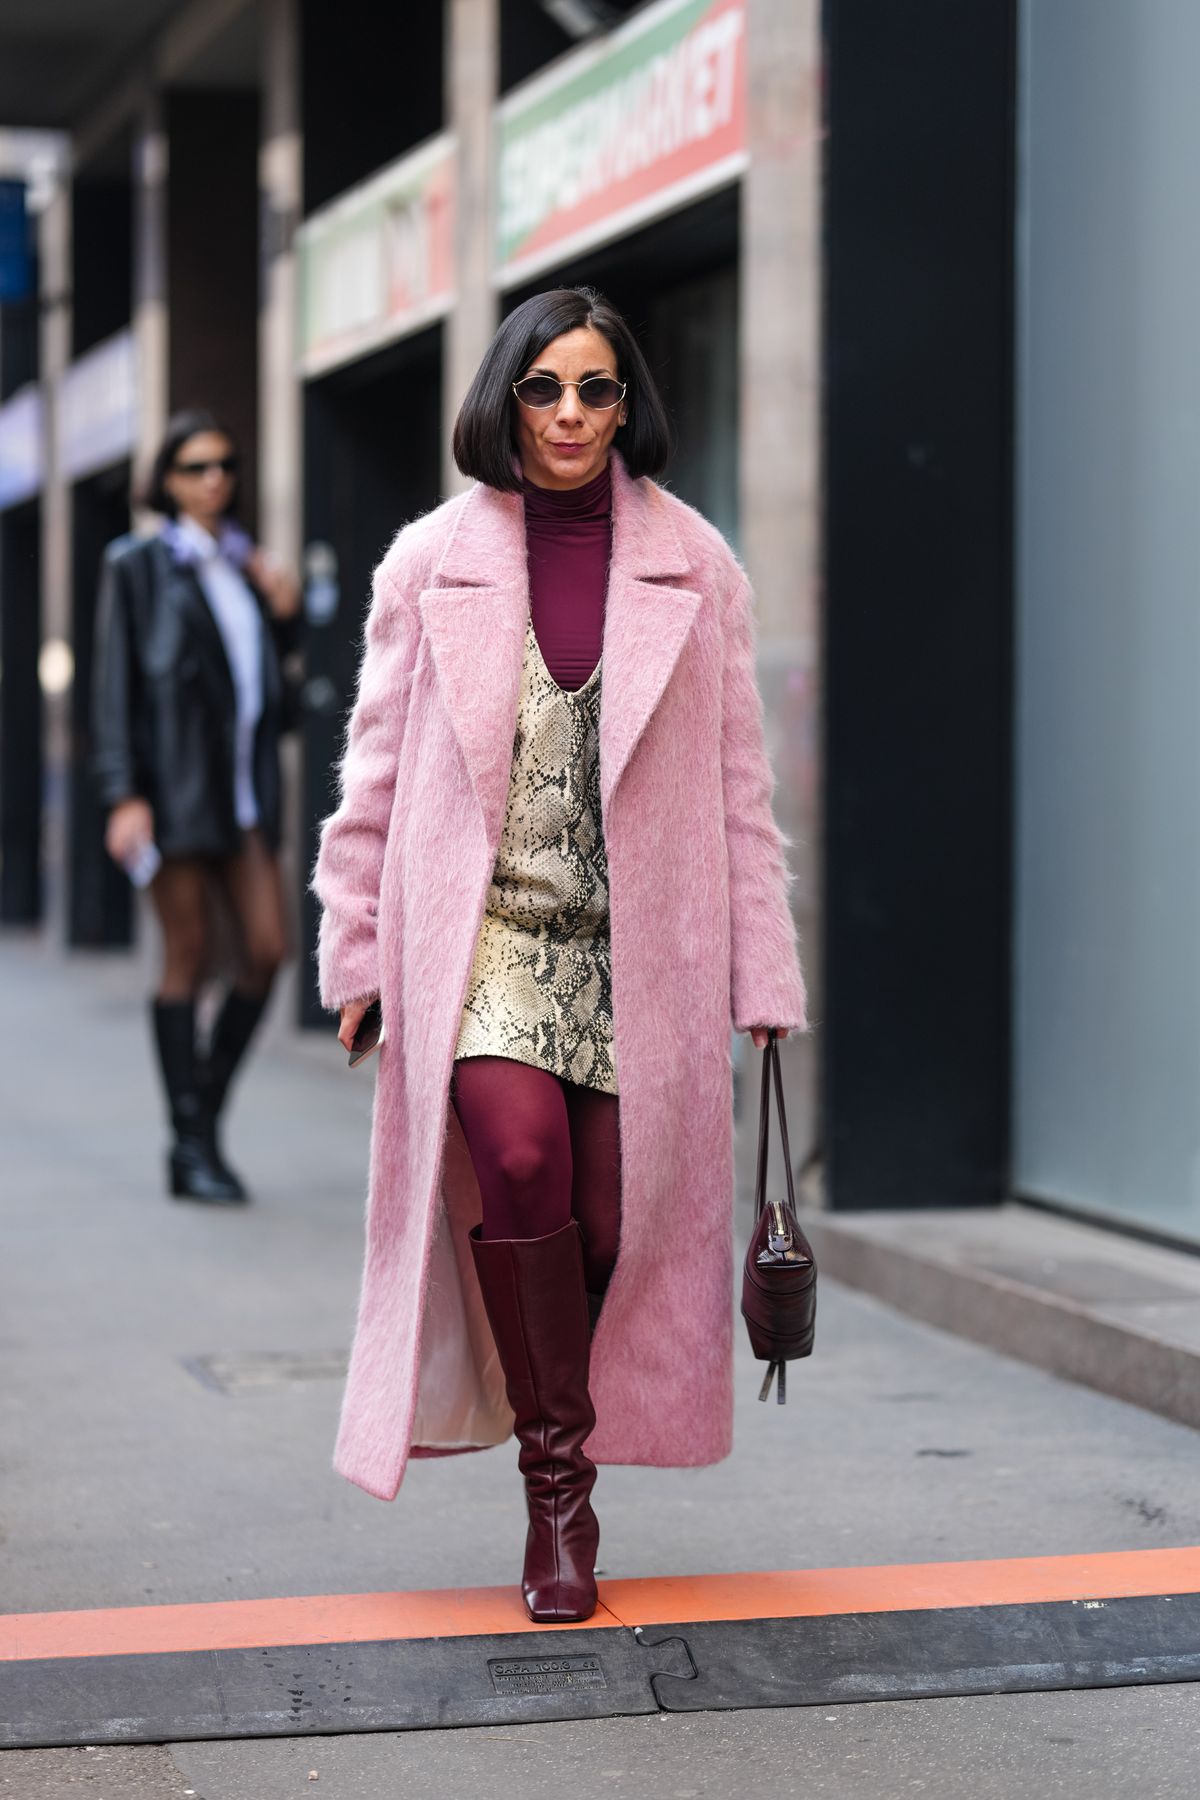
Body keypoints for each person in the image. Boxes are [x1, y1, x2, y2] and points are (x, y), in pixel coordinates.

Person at [312, 287, 807, 1624]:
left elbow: (740, 793)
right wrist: (355, 951)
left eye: (597, 389)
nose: (575, 415)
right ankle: (557, 1492)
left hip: (644, 953)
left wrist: (763, 972)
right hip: (485, 943)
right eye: (546, 389)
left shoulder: (698, 565)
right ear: (505, 401)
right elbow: (374, 773)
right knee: (518, 1160)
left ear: (628, 402)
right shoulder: (430, 563)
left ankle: (557, 1421)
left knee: (607, 1224)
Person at [92, 407, 302, 1204]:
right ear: (166, 481)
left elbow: (273, 703)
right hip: (171, 797)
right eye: (196, 468)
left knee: (266, 949)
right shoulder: (137, 565)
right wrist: (123, 796)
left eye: (224, 466)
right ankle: (193, 1141)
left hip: (245, 798)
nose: (214, 480)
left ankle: (196, 1123)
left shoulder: (248, 567)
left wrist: (285, 620)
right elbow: (114, 690)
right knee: (188, 957)